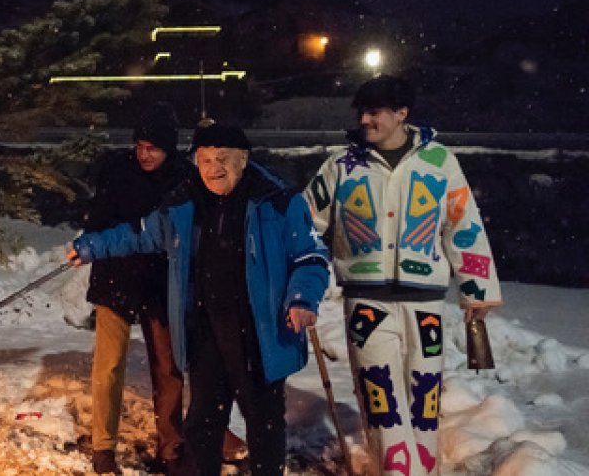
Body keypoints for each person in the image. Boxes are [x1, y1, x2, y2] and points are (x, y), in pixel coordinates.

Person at [68, 123, 330, 476]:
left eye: (222, 159)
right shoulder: (184, 203)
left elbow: (310, 256)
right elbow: (141, 234)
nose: (212, 168)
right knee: (203, 421)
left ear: (244, 159)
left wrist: (302, 298)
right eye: (204, 159)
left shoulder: (279, 203)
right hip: (206, 329)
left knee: (263, 420)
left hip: (259, 331)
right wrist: (91, 246)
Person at [306, 75, 501, 476]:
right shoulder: (340, 166)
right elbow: (307, 223)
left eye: (374, 112)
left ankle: (423, 469)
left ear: (402, 114)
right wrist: (303, 277)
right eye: (361, 112)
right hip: (366, 301)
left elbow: (463, 225)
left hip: (426, 301)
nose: (365, 120)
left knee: (425, 399)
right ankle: (397, 472)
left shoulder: (440, 162)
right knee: (380, 397)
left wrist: (476, 290)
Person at [82, 102, 189, 474]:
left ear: (169, 149)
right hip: (116, 278)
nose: (145, 154)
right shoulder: (116, 171)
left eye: (153, 148)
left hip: (160, 284)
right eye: (140, 146)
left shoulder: (182, 178)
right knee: (108, 365)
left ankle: (171, 445)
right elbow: (97, 221)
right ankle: (103, 446)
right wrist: (93, 244)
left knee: (168, 365)